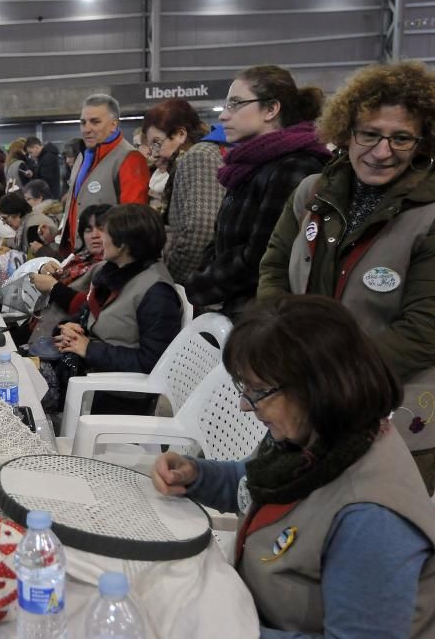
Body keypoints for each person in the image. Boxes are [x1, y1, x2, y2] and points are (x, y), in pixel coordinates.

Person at [151, 295, 435, 638]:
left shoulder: (371, 518)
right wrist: (197, 475)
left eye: (257, 391)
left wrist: (225, 628)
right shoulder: (317, 435)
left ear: (317, 388)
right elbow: (256, 483)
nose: (244, 405)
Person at [259, 61, 435, 491]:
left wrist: (330, 378)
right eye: (369, 134)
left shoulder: (429, 216)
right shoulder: (312, 192)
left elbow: (424, 328)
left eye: (401, 138)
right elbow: (275, 269)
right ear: (346, 131)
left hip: (395, 409)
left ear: (421, 142)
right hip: (305, 401)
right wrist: (278, 352)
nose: (381, 151)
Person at [184, 65, 332, 317]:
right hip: (237, 308)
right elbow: (222, 239)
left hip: (265, 317)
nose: (223, 116)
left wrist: (203, 284)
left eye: (236, 104)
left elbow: (261, 257)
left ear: (271, 109)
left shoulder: (294, 166)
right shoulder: (250, 165)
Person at [53, 204, 181, 415]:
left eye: (105, 232)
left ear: (123, 245)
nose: (100, 238)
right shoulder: (113, 272)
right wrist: (70, 328)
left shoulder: (157, 292)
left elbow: (154, 363)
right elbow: (88, 315)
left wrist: (89, 349)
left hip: (117, 395)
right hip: (90, 374)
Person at [143, 97, 226, 284]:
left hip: (202, 284)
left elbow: (200, 233)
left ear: (180, 134)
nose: (154, 153)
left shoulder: (198, 157)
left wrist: (171, 278)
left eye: (157, 143)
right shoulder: (206, 153)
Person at [59, 94, 150, 253]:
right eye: (83, 122)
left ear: (114, 124)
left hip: (107, 262)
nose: (87, 129)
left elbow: (134, 224)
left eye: (95, 122)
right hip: (79, 258)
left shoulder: (130, 159)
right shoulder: (81, 158)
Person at [26, 136, 62, 202]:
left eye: (31, 152)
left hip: (50, 196)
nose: (30, 155)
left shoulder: (48, 157)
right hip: (48, 195)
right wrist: (32, 175)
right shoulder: (43, 157)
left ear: (36, 147)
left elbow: (45, 180)